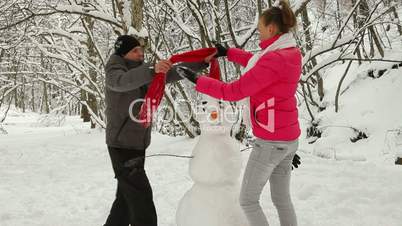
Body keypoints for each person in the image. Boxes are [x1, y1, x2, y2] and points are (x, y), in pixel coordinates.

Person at [178, 1, 302, 225]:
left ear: (272, 29)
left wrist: (199, 80)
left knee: (247, 200)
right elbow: (257, 65)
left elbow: (233, 91)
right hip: (289, 139)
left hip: (271, 142)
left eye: (260, 28)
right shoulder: (289, 52)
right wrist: (229, 53)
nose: (259, 32)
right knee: (282, 198)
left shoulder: (273, 59)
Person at [103, 35, 208, 226]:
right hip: (121, 146)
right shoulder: (115, 71)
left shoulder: (141, 71)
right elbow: (122, 81)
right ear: (122, 52)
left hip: (136, 144)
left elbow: (173, 72)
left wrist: (202, 62)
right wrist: (152, 70)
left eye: (141, 50)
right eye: (135, 50)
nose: (140, 53)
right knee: (141, 200)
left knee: (125, 202)